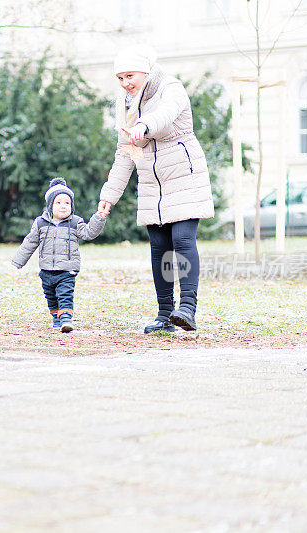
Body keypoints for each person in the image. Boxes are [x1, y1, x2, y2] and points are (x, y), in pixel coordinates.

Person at [98, 45, 214, 334]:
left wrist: (144, 125)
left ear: (145, 70)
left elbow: (166, 114)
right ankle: (165, 315)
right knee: (160, 248)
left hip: (183, 177)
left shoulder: (169, 87)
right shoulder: (125, 105)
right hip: (153, 185)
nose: (125, 83)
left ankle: (187, 309)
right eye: (120, 78)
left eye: (130, 75)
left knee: (183, 240)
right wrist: (108, 196)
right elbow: (125, 154)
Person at [12, 177, 107, 333]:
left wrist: (99, 217)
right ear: (50, 205)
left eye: (67, 203)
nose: (63, 206)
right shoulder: (40, 223)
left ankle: (66, 320)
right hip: (46, 269)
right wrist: (19, 261)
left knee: (65, 295)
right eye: (58, 203)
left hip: (67, 270)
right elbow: (30, 243)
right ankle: (57, 318)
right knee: (51, 297)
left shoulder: (75, 222)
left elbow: (89, 233)